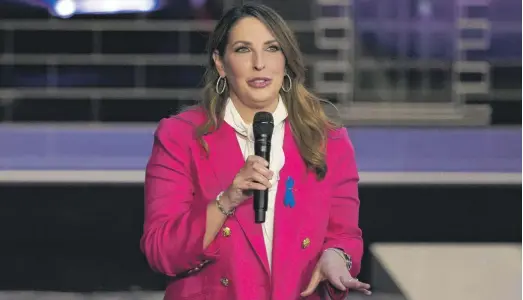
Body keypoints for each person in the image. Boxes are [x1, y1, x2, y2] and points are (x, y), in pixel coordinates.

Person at [141, 3, 371, 299]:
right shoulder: (179, 137)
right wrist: (228, 199)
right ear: (221, 64)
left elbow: (345, 236)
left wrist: (337, 257)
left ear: (286, 61)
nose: (259, 63)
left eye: (272, 48)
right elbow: (161, 251)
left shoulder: (328, 140)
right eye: (243, 50)